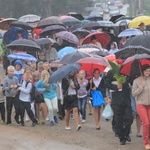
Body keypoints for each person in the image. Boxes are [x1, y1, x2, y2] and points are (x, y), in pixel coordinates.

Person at [105, 62, 133, 145]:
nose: (119, 65)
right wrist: (116, 87)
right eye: (117, 63)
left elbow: (131, 81)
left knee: (129, 119)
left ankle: (126, 133)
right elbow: (107, 84)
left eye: (120, 63)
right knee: (118, 119)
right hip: (116, 99)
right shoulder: (111, 72)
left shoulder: (126, 72)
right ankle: (122, 137)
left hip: (126, 99)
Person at [132, 64, 150, 150]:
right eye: (146, 71)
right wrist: (141, 87)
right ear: (142, 71)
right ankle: (146, 142)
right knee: (146, 123)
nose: (148, 72)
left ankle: (148, 138)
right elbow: (133, 93)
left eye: (149, 71)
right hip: (141, 104)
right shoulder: (136, 81)